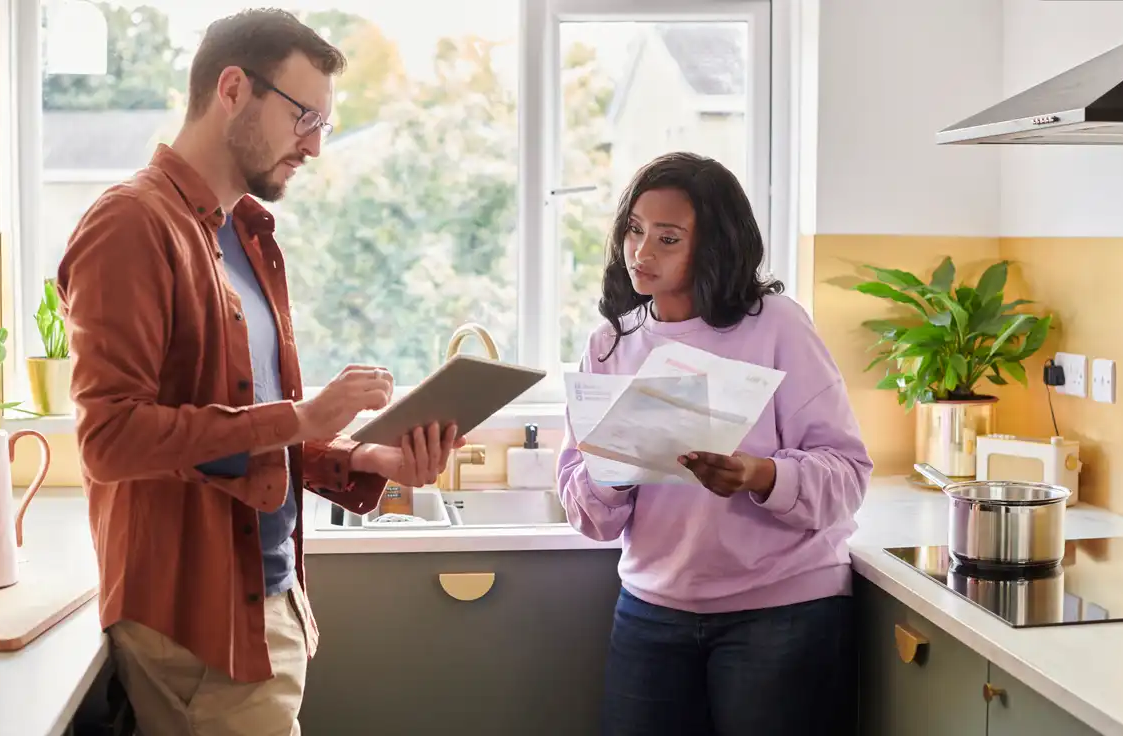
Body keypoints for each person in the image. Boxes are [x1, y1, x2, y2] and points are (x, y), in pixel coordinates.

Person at [56, 10, 461, 735]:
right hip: (195, 628)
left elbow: (243, 430)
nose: (312, 146)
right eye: (303, 116)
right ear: (234, 89)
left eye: (323, 126)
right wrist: (303, 418)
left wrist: (369, 455)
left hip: (261, 602)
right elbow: (109, 437)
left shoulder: (245, 235)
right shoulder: (130, 225)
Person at [557, 151, 873, 736]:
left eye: (668, 239)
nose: (641, 253)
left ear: (714, 246)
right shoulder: (609, 345)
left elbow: (847, 474)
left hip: (782, 610)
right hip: (652, 610)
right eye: (634, 230)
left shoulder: (776, 325)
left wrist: (760, 476)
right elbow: (588, 513)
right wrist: (613, 472)